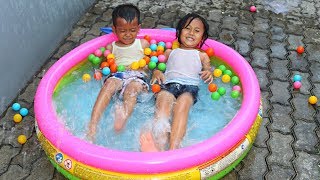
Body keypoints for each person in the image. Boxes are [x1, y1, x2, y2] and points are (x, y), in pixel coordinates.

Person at [140, 13, 213, 152]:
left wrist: (208, 73)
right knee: (162, 102)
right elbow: (157, 67)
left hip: (189, 87)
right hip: (169, 84)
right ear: (179, 32)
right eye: (187, 28)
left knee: (182, 105)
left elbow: (208, 70)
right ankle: (160, 147)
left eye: (197, 31)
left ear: (202, 37)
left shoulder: (202, 55)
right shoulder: (170, 52)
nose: (191, 33)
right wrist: (156, 72)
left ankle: (174, 148)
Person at [87, 4, 150, 142]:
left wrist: (144, 69)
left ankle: (123, 117)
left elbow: (149, 65)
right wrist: (98, 71)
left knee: (132, 89)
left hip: (137, 77)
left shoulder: (143, 44)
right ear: (114, 30)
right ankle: (93, 124)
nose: (128, 34)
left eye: (132, 30)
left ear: (139, 28)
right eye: (122, 31)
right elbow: (104, 66)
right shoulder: (111, 47)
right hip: (118, 76)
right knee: (109, 84)